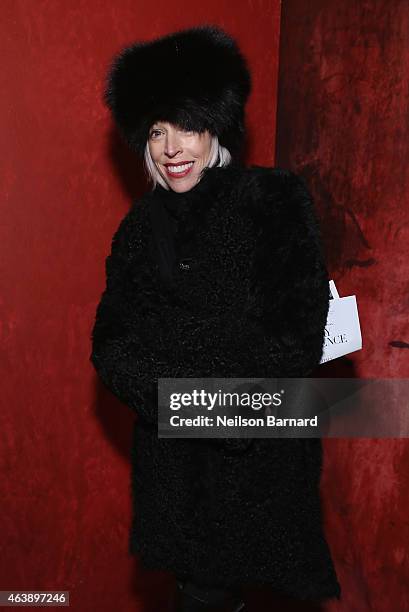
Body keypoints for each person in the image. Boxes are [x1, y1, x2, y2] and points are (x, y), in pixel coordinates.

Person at [90, 24, 341, 612]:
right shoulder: (136, 230)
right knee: (199, 595)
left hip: (263, 460)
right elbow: (113, 345)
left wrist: (216, 399)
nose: (171, 147)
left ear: (216, 131)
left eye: (188, 126)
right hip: (179, 475)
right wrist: (182, 400)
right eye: (157, 131)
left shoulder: (274, 200)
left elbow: (298, 329)